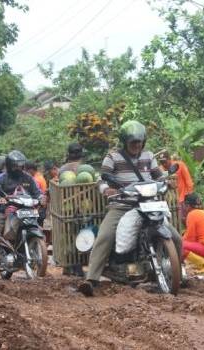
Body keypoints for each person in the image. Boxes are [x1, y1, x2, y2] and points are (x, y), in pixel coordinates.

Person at [79, 120, 183, 296]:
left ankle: (177, 273)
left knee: (177, 238)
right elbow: (101, 179)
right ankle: (91, 279)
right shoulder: (113, 157)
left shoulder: (149, 156)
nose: (136, 145)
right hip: (122, 205)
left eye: (139, 142)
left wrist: (166, 181)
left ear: (144, 141)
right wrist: (107, 190)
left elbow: (158, 176)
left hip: (148, 204)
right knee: (105, 236)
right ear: (124, 142)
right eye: (133, 142)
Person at [0, 150, 44, 267]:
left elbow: (37, 192)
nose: (18, 168)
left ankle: (35, 251)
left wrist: (41, 198)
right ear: (9, 165)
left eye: (21, 165)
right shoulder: (1, 178)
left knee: (39, 226)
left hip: (26, 211)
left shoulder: (28, 178)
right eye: (15, 165)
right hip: (5, 211)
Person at [59, 143, 86, 276]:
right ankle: (77, 266)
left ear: (68, 154)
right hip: (86, 208)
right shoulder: (85, 168)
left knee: (69, 237)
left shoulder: (62, 169)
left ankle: (69, 265)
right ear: (82, 154)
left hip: (67, 208)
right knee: (81, 235)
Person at [159, 151, 194, 226]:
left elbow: (188, 180)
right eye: (162, 162)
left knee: (184, 219)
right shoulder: (160, 169)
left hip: (182, 198)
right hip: (168, 200)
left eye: (165, 161)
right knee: (171, 221)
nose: (164, 164)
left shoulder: (179, 165)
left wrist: (189, 196)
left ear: (169, 159)